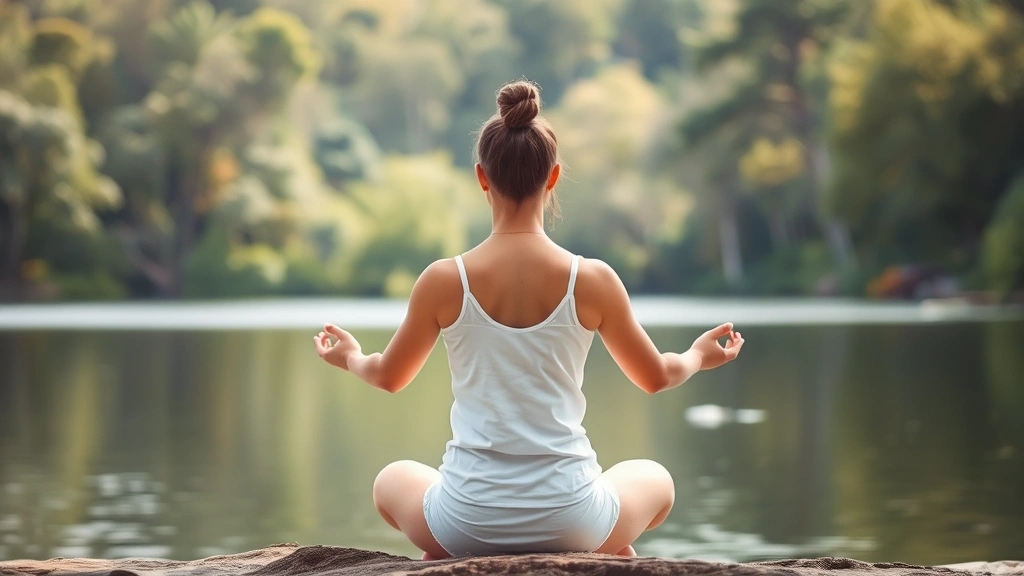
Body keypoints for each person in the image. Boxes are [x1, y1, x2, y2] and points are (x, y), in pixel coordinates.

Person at [313, 80, 744, 559]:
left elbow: (388, 377)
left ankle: (445, 558)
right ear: (554, 176)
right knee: (657, 480)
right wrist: (697, 357)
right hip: (574, 520)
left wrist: (351, 356)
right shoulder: (592, 279)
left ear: (481, 176)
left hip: (467, 521)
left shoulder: (443, 280)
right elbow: (657, 377)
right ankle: (604, 555)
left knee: (390, 480)